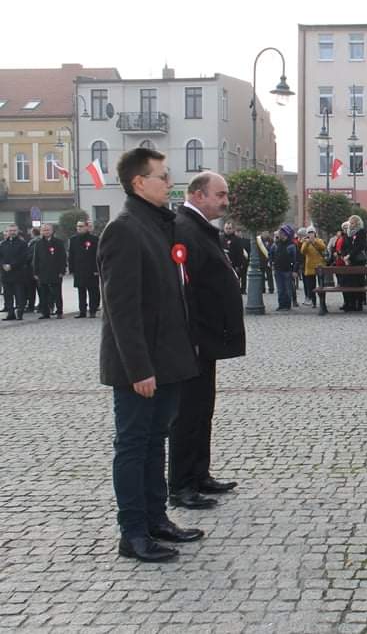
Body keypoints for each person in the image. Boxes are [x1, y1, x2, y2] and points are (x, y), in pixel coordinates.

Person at [98, 147, 203, 562]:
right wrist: (138, 368)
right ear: (139, 182)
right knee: (133, 445)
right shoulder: (124, 229)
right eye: (162, 176)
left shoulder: (159, 226)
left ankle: (157, 519)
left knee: (155, 440)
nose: (169, 182)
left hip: (167, 360)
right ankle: (134, 532)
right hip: (138, 367)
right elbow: (121, 310)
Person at [169, 171, 244, 510]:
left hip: (207, 339)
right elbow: (184, 290)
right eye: (220, 194)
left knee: (203, 410)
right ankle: (181, 484)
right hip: (194, 340)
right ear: (199, 195)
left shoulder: (199, 228)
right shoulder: (184, 228)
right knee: (187, 413)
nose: (225, 201)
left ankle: (199, 474)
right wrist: (193, 336)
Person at [32, 223, 66, 319]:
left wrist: (62, 271)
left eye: (48, 230)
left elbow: (62, 258)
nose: (46, 232)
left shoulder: (58, 242)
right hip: (42, 272)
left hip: (55, 272)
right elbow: (36, 259)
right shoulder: (38, 243)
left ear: (52, 231)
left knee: (57, 293)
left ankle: (59, 311)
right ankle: (45, 312)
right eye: (44, 230)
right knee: (43, 294)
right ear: (41, 231)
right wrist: (35, 272)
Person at [68, 219, 101, 318]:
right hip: (79, 269)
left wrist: (97, 269)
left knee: (93, 291)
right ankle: (82, 311)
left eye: (81, 226)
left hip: (91, 270)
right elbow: (71, 255)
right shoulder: (73, 239)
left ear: (87, 227)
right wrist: (71, 269)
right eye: (78, 226)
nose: (79, 228)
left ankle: (92, 310)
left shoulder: (94, 239)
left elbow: (98, 255)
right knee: (81, 291)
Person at [1, 225, 29, 320]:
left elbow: (23, 257)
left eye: (14, 230)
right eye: (10, 231)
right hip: (6, 273)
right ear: (7, 232)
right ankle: (10, 313)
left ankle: (19, 312)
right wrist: (3, 265)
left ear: (17, 231)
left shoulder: (22, 244)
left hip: (18, 273)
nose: (12, 232)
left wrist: (12, 265)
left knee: (19, 295)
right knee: (7, 295)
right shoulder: (3, 244)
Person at [341, 215, 367, 311]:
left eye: (353, 223)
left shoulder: (361, 232)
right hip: (349, 261)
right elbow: (344, 247)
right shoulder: (347, 234)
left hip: (358, 260)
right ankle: (350, 303)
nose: (351, 225)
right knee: (349, 282)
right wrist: (345, 256)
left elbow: (360, 246)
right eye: (350, 223)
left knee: (358, 282)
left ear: (357, 223)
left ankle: (359, 303)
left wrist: (350, 256)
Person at [269, 226, 297, 311]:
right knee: (280, 289)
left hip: (288, 270)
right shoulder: (276, 244)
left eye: (281, 233)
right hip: (278, 270)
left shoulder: (292, 245)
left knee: (288, 289)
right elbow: (271, 254)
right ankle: (281, 304)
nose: (279, 235)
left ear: (286, 234)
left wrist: (295, 271)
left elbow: (296, 259)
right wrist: (272, 263)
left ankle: (287, 305)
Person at [300, 227, 327, 310]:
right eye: (309, 232)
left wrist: (313, 241)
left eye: (312, 232)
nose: (311, 234)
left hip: (319, 266)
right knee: (311, 286)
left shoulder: (319, 240)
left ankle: (323, 303)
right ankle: (314, 302)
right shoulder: (305, 242)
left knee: (321, 286)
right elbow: (303, 251)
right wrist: (307, 243)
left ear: (315, 233)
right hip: (310, 267)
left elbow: (322, 247)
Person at [222, 221, 248, 294]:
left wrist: (238, 265)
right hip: (223, 265)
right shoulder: (220, 238)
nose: (228, 230)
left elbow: (240, 253)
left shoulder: (237, 239)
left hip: (234, 265)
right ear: (224, 228)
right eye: (226, 228)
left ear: (233, 229)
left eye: (229, 228)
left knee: (234, 282)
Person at [25, 227, 40, 313]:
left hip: (33, 268)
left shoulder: (35, 242)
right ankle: (33, 305)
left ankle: (33, 305)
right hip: (31, 269)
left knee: (35, 289)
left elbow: (30, 255)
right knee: (33, 289)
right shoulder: (33, 242)